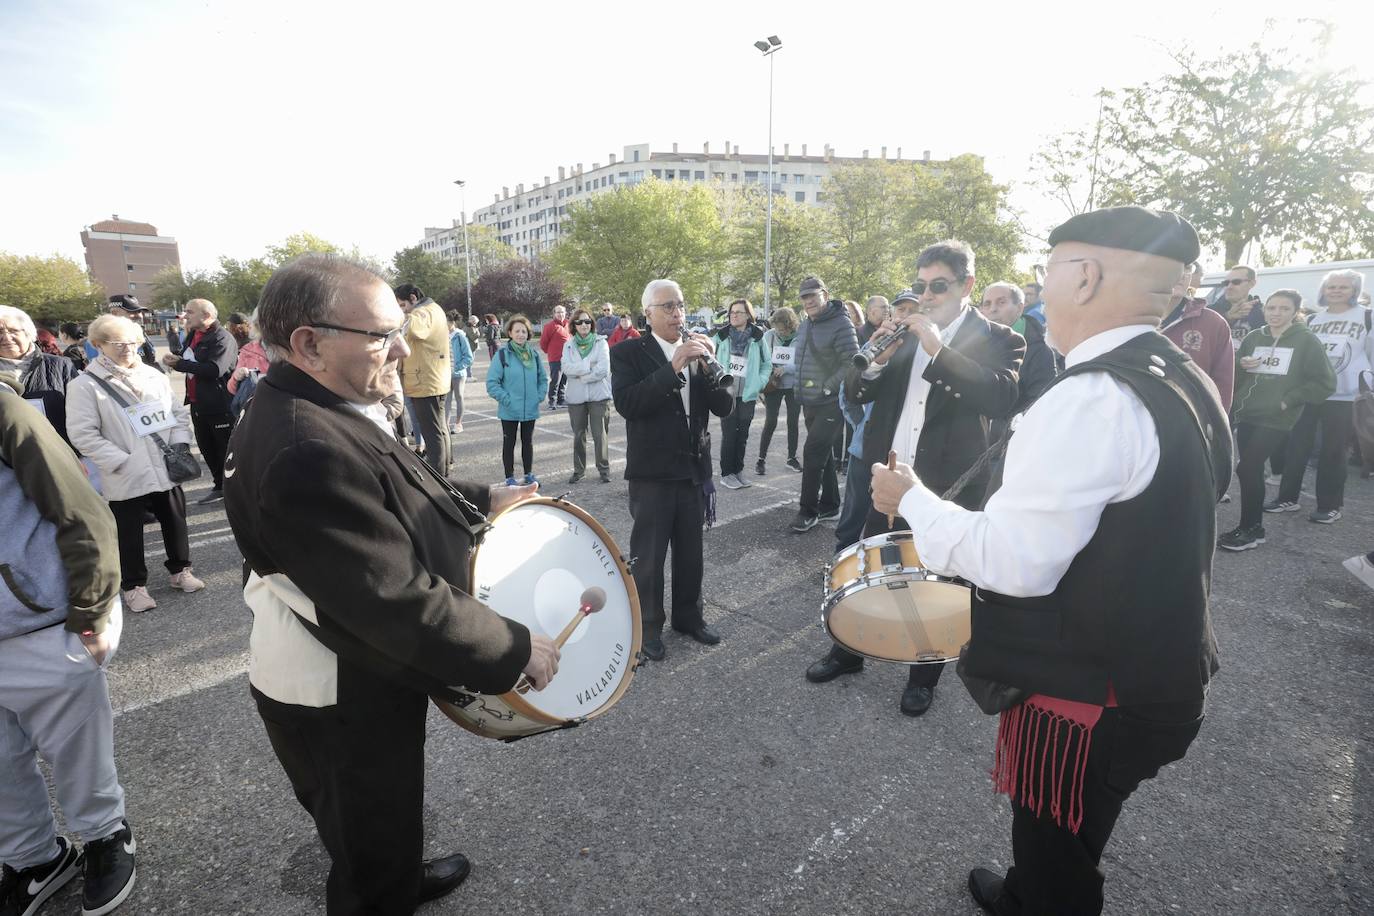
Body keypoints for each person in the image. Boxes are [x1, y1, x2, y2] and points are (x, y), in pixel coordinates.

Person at [869, 207, 1230, 916]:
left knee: (1058, 847)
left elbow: (1013, 563)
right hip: (1157, 668)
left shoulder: (1090, 399)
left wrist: (912, 498)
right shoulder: (1178, 370)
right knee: (1064, 837)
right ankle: (1025, 892)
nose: (1039, 289)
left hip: (1093, 697)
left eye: (1048, 271)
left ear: (1086, 276)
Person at [222, 254, 558, 916]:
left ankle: (399, 871)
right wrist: (514, 649)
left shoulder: (320, 402)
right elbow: (395, 600)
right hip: (337, 682)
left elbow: (395, 481)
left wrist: (483, 498)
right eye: (382, 334)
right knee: (364, 827)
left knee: (387, 805)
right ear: (309, 343)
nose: (403, 347)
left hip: (363, 664)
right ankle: (383, 889)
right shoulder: (304, 448)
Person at [807, 241, 1024, 718]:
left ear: (967, 285)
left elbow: (1000, 398)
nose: (927, 296)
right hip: (887, 477)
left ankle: (924, 673)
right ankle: (848, 652)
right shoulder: (902, 331)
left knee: (938, 583)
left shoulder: (1001, 339)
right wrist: (878, 356)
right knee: (869, 567)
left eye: (938, 286)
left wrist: (937, 348)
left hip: (947, 486)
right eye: (922, 286)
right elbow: (856, 388)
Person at [0, 376, 137, 916]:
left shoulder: (5, 410)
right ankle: (33, 859)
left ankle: (105, 836)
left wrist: (92, 609)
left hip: (38, 624)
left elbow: (80, 506)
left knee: (76, 750)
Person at [612, 279, 734, 662]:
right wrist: (674, 364)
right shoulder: (629, 352)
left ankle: (688, 617)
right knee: (648, 556)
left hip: (693, 468)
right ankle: (647, 626)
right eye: (667, 306)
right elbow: (628, 403)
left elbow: (723, 408)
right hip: (652, 472)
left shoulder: (698, 349)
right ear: (647, 313)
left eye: (679, 305)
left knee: (691, 552)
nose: (676, 313)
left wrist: (714, 366)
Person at [66, 314, 207, 612]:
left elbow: (177, 414)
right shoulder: (85, 385)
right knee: (129, 529)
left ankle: (181, 570)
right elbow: (82, 433)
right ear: (97, 345)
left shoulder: (153, 375)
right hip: (125, 469)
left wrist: (180, 443)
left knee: (175, 519)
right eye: (117, 343)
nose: (127, 348)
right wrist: (119, 460)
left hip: (165, 462)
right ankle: (134, 585)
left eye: (132, 342)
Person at [1220, 290, 1335, 550]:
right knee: (1252, 470)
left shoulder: (1306, 340)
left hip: (1277, 417)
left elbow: (1325, 382)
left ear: (1295, 312)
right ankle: (1254, 528)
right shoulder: (1254, 337)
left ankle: (1249, 529)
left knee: (1247, 468)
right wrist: (1242, 364)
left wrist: (1289, 400)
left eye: (1284, 309)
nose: (1276, 313)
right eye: (1271, 308)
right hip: (1248, 413)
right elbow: (1235, 371)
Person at [1267, 269, 1373, 524]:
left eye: (1343, 287)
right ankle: (1287, 498)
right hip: (1311, 393)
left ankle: (1330, 505)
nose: (1336, 291)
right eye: (1331, 287)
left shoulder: (1367, 317)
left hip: (1345, 396)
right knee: (1297, 446)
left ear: (1355, 291)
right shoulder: (1313, 320)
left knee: (1333, 451)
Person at [790, 277, 859, 532]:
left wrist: (828, 386)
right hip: (809, 401)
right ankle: (830, 503)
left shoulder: (841, 324)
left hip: (831, 402)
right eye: (804, 297)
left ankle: (807, 511)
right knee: (823, 454)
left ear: (825, 295)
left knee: (812, 452)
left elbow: (853, 361)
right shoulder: (807, 324)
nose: (808, 301)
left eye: (813, 295)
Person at [160, 298, 237, 503]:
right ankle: (219, 486)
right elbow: (188, 358)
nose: (185, 315)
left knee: (226, 448)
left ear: (207, 316)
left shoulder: (223, 337)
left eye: (190, 312)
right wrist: (174, 359)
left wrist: (181, 364)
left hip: (219, 404)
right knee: (206, 447)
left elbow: (214, 369)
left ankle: (237, 489)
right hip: (197, 403)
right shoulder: (194, 334)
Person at [394, 284, 452, 477]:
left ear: (413, 298)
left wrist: (395, 316)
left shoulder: (422, 313)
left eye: (402, 305)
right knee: (440, 429)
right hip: (434, 379)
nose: (402, 310)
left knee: (432, 433)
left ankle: (438, 477)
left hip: (425, 381)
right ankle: (445, 468)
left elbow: (415, 329)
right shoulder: (435, 309)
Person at [1160, 262, 1234, 412]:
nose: (1181, 273)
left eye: (1187, 267)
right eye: (1172, 261)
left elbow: (1223, 386)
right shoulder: (1125, 318)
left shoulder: (1213, 323)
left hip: (1187, 424)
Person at [714, 299, 771, 490]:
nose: (734, 315)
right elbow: (709, 360)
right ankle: (726, 473)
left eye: (739, 312)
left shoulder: (757, 337)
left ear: (748, 315)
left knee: (743, 434)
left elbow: (766, 364)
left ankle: (738, 470)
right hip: (726, 393)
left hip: (748, 394)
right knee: (729, 434)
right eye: (732, 312)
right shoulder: (721, 336)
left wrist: (759, 383)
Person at [0, 304, 80, 440]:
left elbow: (82, 415)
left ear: (28, 334)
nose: (7, 338)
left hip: (57, 452)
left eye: (14, 331)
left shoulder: (60, 366)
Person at [978, 282, 1057, 416]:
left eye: (1001, 302)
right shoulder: (972, 343)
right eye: (987, 304)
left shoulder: (1040, 351)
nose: (993, 309)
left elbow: (1039, 404)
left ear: (1020, 308)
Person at [486, 315, 547, 486]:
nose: (521, 334)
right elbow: (492, 383)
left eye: (524, 331)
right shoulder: (502, 355)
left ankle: (529, 474)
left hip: (530, 408)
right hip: (509, 409)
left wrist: (539, 396)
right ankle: (509, 477)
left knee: (528, 442)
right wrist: (507, 400)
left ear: (528, 334)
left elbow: (543, 378)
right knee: (509, 442)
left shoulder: (533, 355)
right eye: (517, 331)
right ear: (510, 333)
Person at [561, 308, 613, 484]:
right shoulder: (568, 345)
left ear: (592, 324)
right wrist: (588, 366)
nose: (584, 324)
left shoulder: (601, 343)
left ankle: (603, 469)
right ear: (574, 325)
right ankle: (579, 470)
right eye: (579, 322)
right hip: (576, 398)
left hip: (599, 396)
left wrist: (583, 376)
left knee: (600, 435)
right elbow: (566, 369)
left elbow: (603, 369)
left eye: (587, 321)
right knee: (578, 435)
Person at [757, 306, 802, 475]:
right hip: (773, 385)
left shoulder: (800, 338)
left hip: (793, 385)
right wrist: (771, 371)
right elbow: (762, 359)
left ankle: (792, 458)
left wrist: (786, 369)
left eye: (782, 329)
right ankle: (761, 459)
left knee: (793, 421)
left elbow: (803, 363)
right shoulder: (768, 336)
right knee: (771, 421)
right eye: (776, 328)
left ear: (790, 325)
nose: (780, 332)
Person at [227, 311, 271, 419]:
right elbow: (232, 389)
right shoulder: (248, 350)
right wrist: (236, 377)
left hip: (279, 410)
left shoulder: (291, 350)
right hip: (252, 412)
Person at [1210, 265, 1264, 351]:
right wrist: (1227, 317)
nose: (1229, 287)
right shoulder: (1210, 311)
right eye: (1226, 283)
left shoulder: (1262, 314)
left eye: (1236, 282)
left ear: (1252, 283)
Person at [101, 295, 162, 371]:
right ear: (114, 313)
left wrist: (163, 365)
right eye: (132, 312)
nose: (139, 316)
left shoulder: (139, 334)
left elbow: (149, 362)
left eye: (139, 311)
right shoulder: (102, 339)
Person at [446, 310, 473, 435]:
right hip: (445, 374)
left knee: (459, 397)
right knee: (446, 400)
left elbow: (468, 357)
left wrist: (457, 367)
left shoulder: (459, 335)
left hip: (458, 374)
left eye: (446, 321)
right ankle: (445, 425)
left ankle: (458, 424)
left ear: (452, 322)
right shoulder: (442, 335)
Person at [539, 305, 571, 409]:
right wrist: (551, 352)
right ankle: (552, 401)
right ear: (554, 314)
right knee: (555, 380)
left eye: (562, 312)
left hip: (567, 359)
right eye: (558, 312)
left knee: (564, 380)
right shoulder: (549, 326)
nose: (560, 314)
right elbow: (543, 343)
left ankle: (561, 400)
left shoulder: (568, 325)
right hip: (555, 359)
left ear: (565, 313)